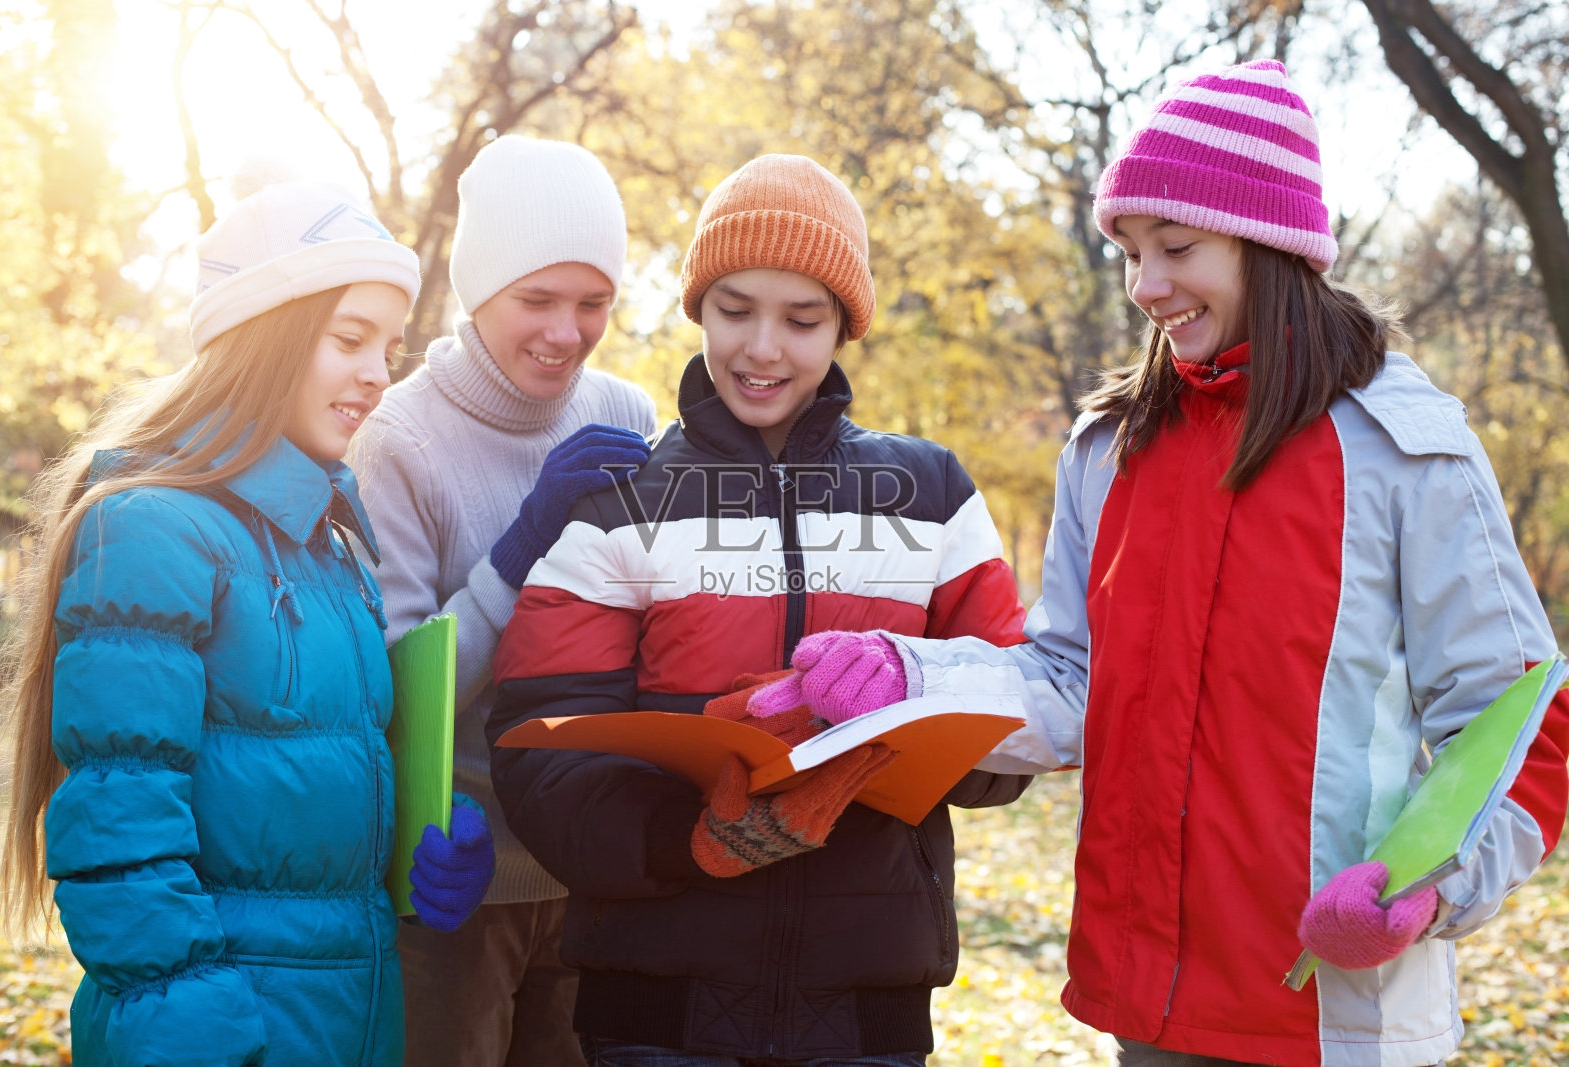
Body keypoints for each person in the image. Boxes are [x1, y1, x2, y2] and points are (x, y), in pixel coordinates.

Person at [771, 60, 1569, 1067]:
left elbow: (1516, 716)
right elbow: (1070, 683)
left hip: (1333, 1012)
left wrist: (1431, 885)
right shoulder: (1108, 449)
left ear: (1269, 242)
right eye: (1130, 251)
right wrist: (910, 677)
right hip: (1149, 1007)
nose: (1145, 285)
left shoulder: (1407, 448)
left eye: (1175, 247)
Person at [485, 153, 1033, 1066]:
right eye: (735, 310)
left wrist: (906, 693)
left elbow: (1018, 724)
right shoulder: (622, 501)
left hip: (868, 1008)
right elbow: (537, 747)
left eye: (802, 318)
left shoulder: (932, 494)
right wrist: (689, 839)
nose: (763, 348)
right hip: (653, 1009)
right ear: (698, 307)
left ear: (844, 327)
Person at [0, 178, 495, 1066]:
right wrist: (217, 1046)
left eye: (391, 346)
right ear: (265, 336)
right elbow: (120, 842)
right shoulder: (149, 529)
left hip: (351, 1024)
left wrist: (422, 833)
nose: (380, 375)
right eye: (351, 339)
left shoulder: (336, 551)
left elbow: (302, 769)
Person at [354, 134, 657, 1067]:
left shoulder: (627, 415)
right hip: (455, 882)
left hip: (595, 867)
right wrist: (524, 546)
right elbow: (399, 688)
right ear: (478, 289)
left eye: (593, 302)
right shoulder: (396, 439)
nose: (566, 332)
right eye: (537, 299)